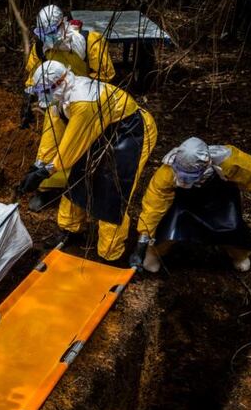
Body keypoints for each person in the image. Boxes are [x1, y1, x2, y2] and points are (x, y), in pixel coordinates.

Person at [17, 60, 157, 261]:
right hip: (99, 131)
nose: (42, 96)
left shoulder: (83, 102)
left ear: (61, 82)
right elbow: (52, 133)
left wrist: (46, 171)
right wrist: (38, 165)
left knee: (112, 191)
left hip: (129, 131)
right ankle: (70, 229)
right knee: (79, 177)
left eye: (45, 91)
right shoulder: (59, 97)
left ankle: (110, 253)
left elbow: (71, 146)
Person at [128, 137, 251, 272]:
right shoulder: (166, 173)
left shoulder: (228, 161)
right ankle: (153, 253)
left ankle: (240, 256)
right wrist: (142, 243)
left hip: (219, 199)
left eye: (189, 177)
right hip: (184, 202)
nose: (185, 181)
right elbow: (153, 207)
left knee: (232, 227)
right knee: (169, 226)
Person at [20, 4, 116, 128]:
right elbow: (34, 75)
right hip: (58, 96)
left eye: (51, 32)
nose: (48, 37)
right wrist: (28, 99)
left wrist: (82, 89)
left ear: (63, 24)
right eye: (44, 33)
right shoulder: (40, 47)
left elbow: (106, 75)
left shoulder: (90, 41)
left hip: (86, 97)